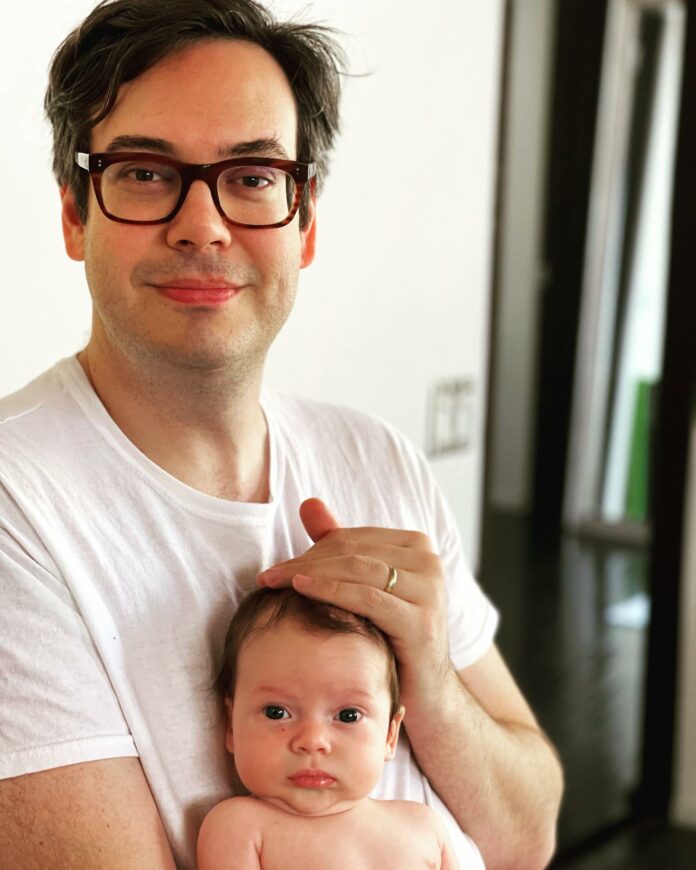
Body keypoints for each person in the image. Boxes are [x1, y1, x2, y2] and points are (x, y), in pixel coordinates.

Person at [0, 1, 563, 868]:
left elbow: (527, 836)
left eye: (253, 176)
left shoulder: (378, 458)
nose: (203, 226)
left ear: (305, 224)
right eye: (145, 172)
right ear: (76, 215)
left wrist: (430, 675)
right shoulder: (19, 501)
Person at [197, 586, 474, 869]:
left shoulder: (423, 828)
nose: (313, 740)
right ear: (231, 726)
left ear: (390, 736)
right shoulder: (239, 828)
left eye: (349, 715)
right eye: (276, 712)